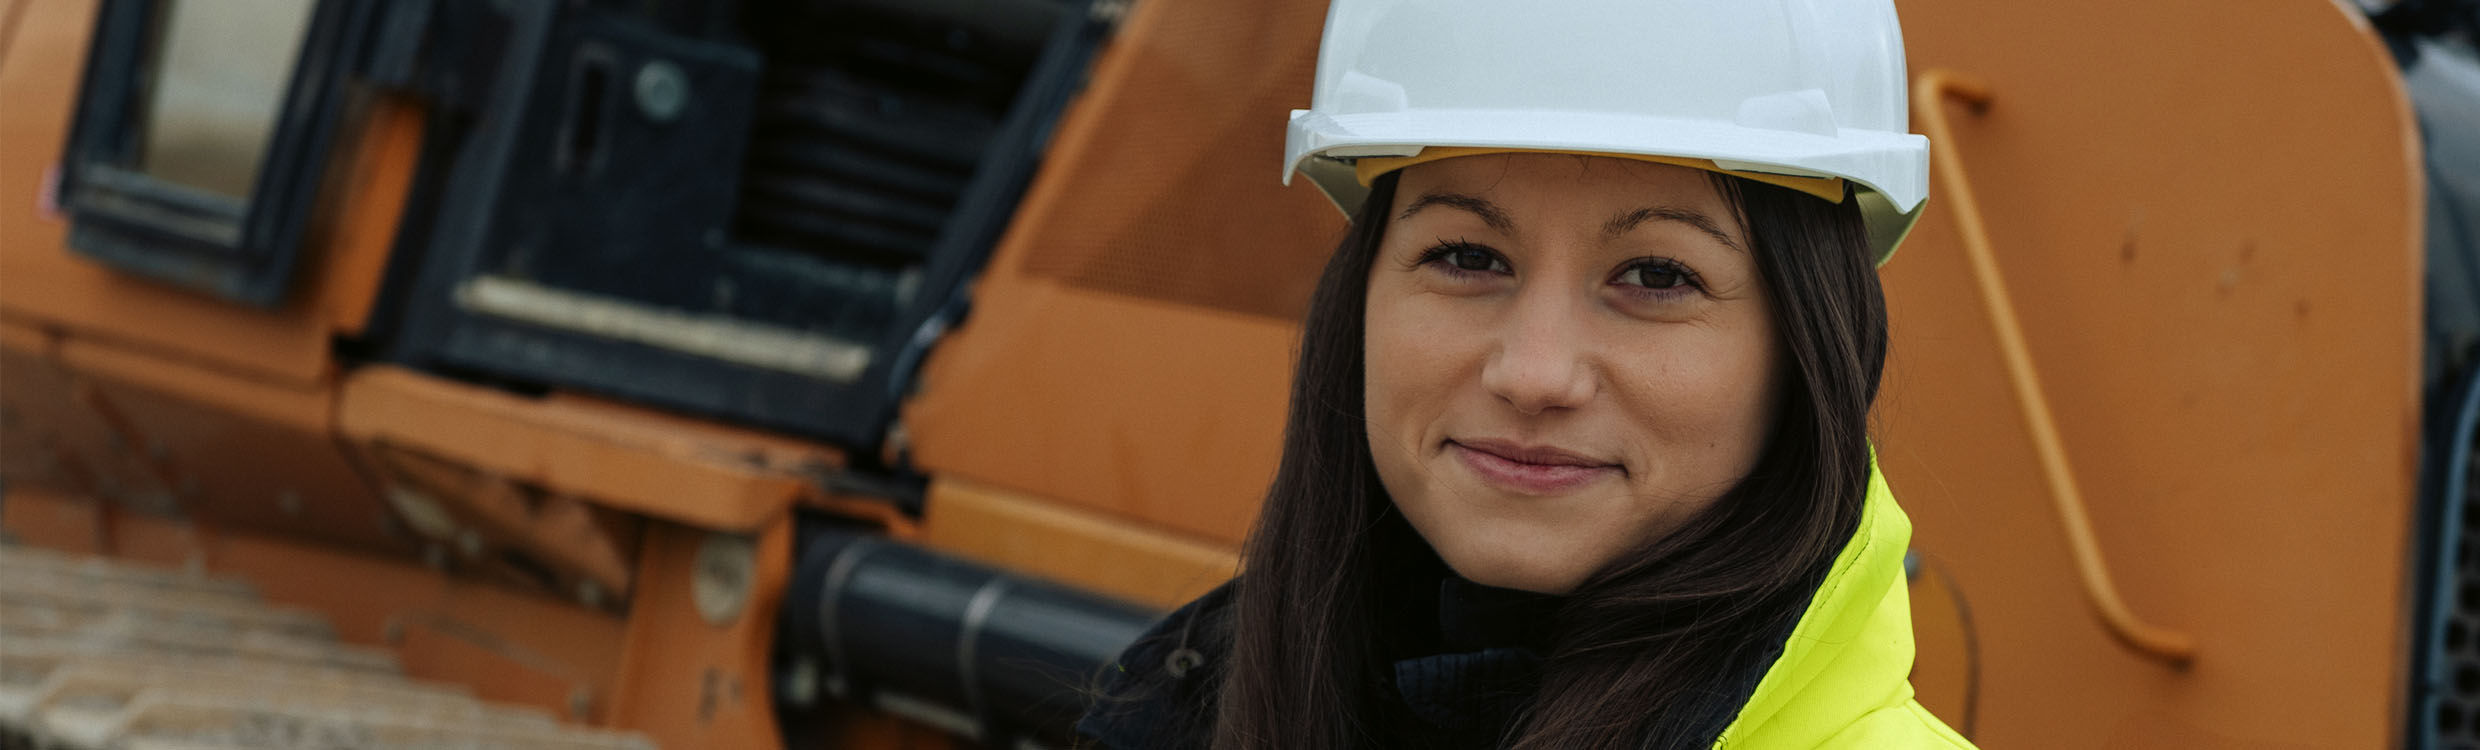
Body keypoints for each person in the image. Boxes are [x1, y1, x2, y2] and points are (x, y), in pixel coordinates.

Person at [1079, 0, 1974, 747]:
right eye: (1467, 255)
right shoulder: (1180, 712)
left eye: (1658, 276)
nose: (1534, 375)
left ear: (1809, 346)